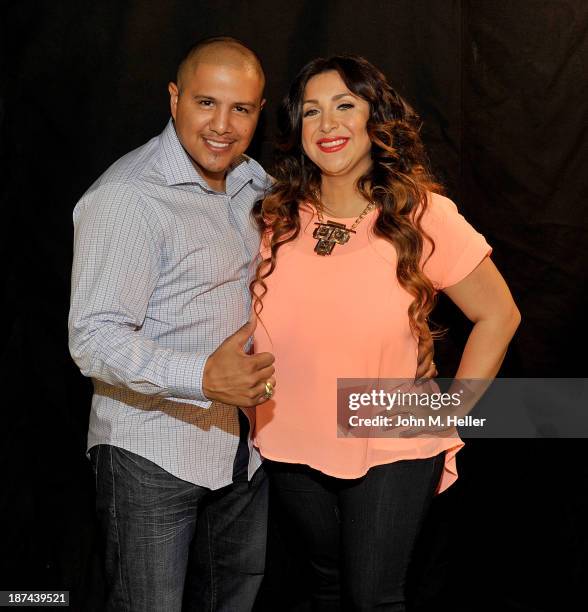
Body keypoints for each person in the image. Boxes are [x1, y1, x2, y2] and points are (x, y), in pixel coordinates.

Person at [251, 55, 521, 610]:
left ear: (376, 116)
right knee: (324, 583)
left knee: (372, 595)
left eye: (345, 106)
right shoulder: (275, 215)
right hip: (289, 433)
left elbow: (500, 314)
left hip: (389, 430)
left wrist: (452, 408)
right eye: (311, 112)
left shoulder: (423, 214)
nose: (328, 125)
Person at [68, 37, 276, 611]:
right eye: (206, 103)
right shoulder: (128, 196)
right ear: (174, 98)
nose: (223, 126)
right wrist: (203, 378)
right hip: (150, 455)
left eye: (242, 109)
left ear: (260, 112)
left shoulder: (252, 182)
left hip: (242, 452)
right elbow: (93, 337)